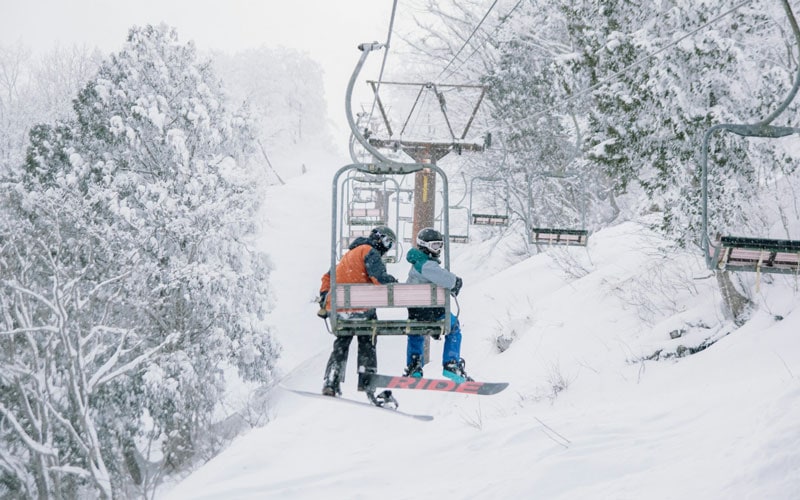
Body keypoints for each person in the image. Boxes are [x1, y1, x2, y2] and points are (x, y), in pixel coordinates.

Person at [318, 226, 398, 401]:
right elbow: (380, 280)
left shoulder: (349, 256)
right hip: (361, 311)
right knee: (367, 338)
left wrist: (325, 297)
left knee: (342, 341)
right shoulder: (370, 252)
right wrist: (392, 281)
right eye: (387, 242)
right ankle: (367, 378)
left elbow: (327, 278)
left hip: (340, 310)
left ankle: (332, 378)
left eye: (390, 244)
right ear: (378, 238)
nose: (387, 247)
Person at [403, 227, 473, 383]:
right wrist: (455, 282)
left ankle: (414, 365)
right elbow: (443, 277)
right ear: (424, 245)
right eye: (435, 246)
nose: (438, 250)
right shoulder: (425, 264)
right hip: (432, 312)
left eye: (440, 246)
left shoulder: (416, 263)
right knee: (453, 327)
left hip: (415, 313)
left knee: (415, 330)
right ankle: (451, 363)